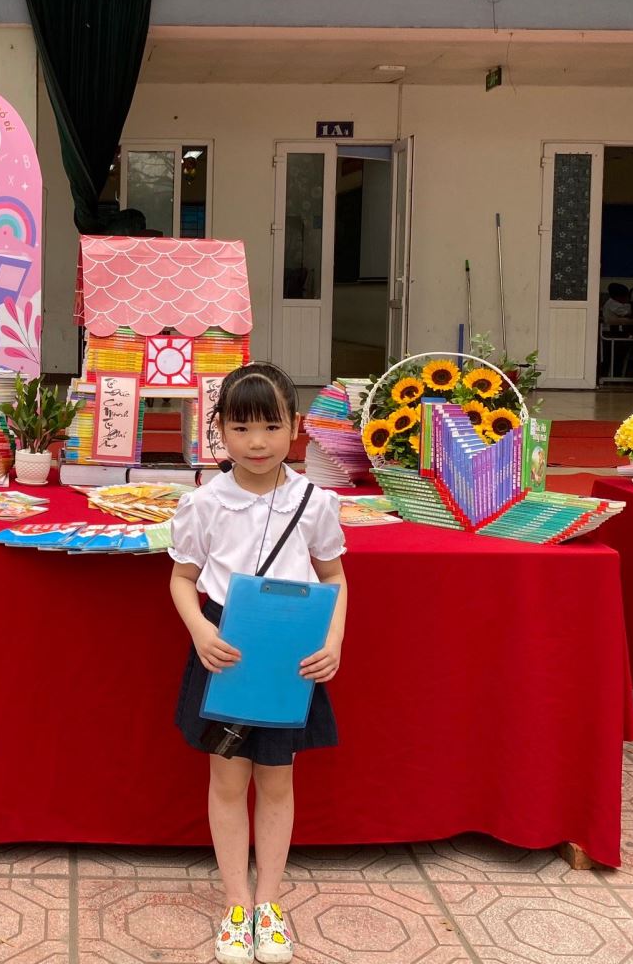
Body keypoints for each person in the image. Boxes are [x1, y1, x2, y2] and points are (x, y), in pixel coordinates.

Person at [169, 362, 348, 964]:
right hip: (226, 649)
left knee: (277, 779)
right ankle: (236, 903)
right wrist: (200, 630)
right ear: (218, 428)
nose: (257, 442)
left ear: (295, 427)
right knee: (226, 780)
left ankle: (269, 903)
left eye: (271, 427)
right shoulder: (204, 503)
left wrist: (333, 641)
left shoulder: (314, 502)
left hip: (289, 654)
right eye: (241, 428)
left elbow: (334, 576)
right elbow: (182, 578)